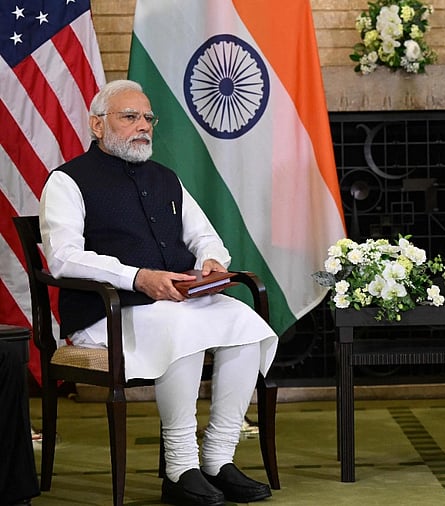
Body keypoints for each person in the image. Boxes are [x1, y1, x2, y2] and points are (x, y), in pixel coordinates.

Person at [39, 80, 278, 506]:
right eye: (129, 117)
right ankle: (179, 467)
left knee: (245, 323)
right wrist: (138, 277)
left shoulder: (165, 177)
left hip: (169, 303)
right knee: (181, 325)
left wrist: (211, 261)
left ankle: (218, 460)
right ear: (97, 124)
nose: (142, 126)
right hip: (105, 314)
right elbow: (63, 258)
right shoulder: (66, 180)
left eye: (147, 117)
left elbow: (205, 236)